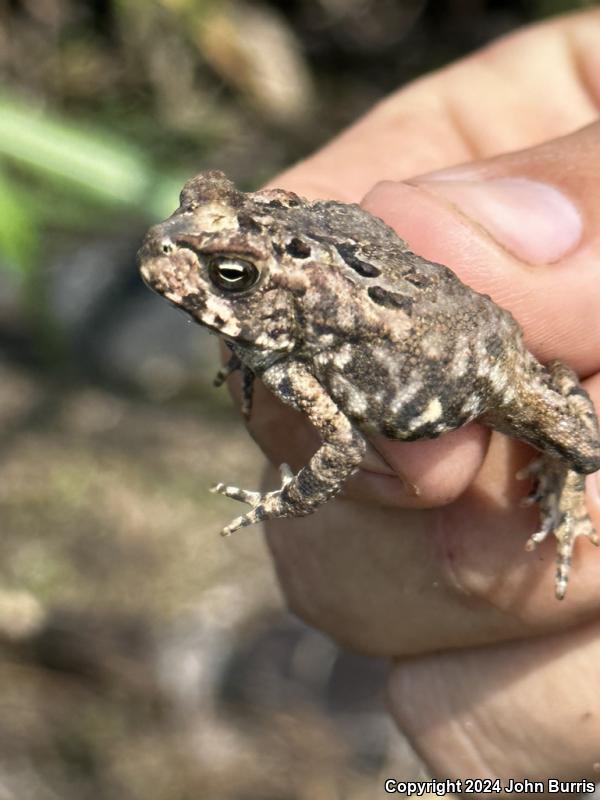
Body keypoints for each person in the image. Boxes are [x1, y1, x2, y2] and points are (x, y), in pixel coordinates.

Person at [230, 8, 600, 782]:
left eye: (230, 276)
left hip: (484, 357)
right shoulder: (281, 346)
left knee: (585, 447)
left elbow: (334, 455)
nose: (169, 249)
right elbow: (333, 437)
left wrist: (277, 504)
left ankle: (560, 488)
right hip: (409, 316)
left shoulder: (291, 350)